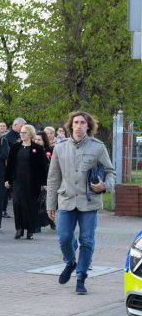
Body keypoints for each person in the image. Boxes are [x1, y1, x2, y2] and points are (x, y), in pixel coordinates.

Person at [46, 111, 115, 295]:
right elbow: (53, 178)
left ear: (88, 126)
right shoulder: (60, 148)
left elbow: (110, 172)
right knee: (64, 238)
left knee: (87, 241)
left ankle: (81, 277)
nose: (78, 126)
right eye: (75, 122)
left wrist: (105, 185)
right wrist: (50, 204)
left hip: (89, 202)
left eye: (82, 122)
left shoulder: (98, 147)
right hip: (67, 200)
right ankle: (70, 262)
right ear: (70, 125)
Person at [5, 124, 48, 240]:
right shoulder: (15, 147)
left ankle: (30, 229)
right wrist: (7, 179)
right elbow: (10, 165)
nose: (22, 134)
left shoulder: (37, 148)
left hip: (32, 181)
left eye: (24, 133)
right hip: (17, 180)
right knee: (17, 204)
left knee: (30, 204)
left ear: (30, 134)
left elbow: (42, 167)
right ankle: (19, 228)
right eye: (21, 132)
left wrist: (43, 183)